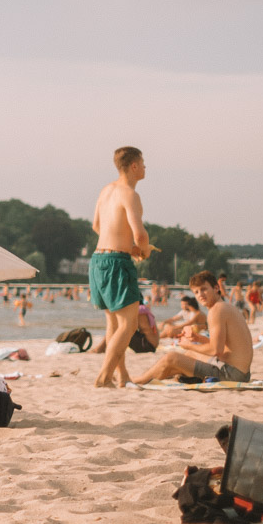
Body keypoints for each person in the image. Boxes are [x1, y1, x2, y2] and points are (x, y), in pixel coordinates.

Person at [89, 147, 155, 388]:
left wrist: (126, 244)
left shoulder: (106, 190)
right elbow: (140, 234)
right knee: (129, 324)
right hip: (117, 262)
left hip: (98, 259)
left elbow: (97, 226)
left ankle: (122, 375)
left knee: (114, 325)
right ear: (134, 166)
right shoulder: (130, 194)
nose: (146, 167)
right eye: (143, 162)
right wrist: (143, 249)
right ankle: (104, 376)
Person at [133, 271, 254, 384]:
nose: (200, 295)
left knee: (171, 358)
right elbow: (224, 346)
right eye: (196, 292)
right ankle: (172, 376)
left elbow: (216, 351)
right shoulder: (225, 307)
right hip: (242, 373)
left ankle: (138, 380)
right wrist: (197, 338)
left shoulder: (216, 310)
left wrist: (188, 345)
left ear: (216, 288)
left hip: (232, 374)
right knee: (190, 354)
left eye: (204, 289)